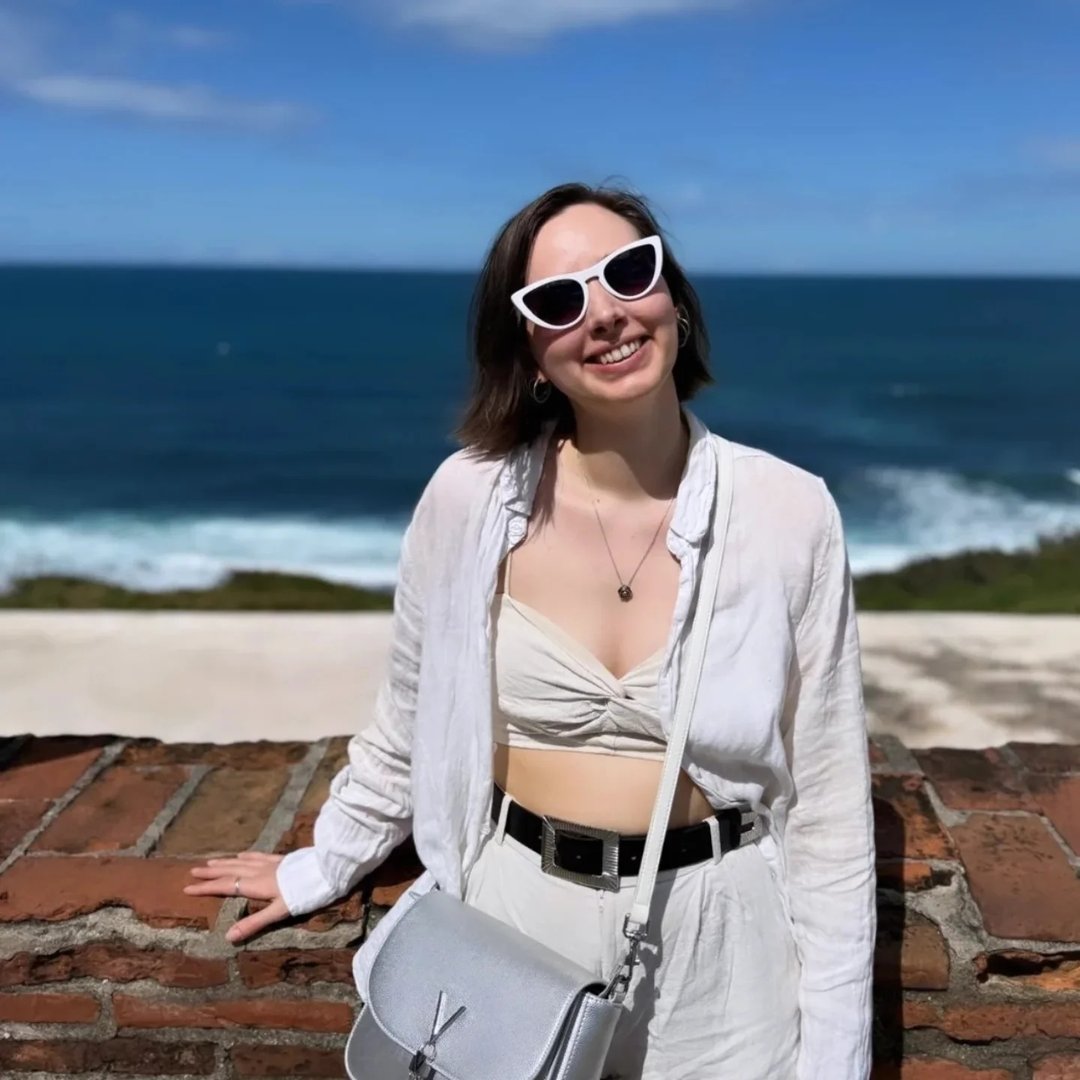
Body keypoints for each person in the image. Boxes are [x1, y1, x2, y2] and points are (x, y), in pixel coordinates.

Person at [185, 182, 877, 1079]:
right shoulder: (468, 499)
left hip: (722, 951)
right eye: (558, 300)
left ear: (673, 298)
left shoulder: (788, 510)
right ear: (531, 353)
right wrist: (326, 863)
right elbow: (410, 716)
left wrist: (838, 1055)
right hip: (511, 920)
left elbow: (828, 806)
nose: (606, 314)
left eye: (628, 272)